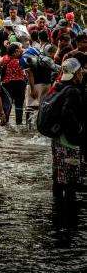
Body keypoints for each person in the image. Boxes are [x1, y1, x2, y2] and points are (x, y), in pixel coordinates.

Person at [49, 58, 84, 199]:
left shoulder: (57, 86)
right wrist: (79, 131)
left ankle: (57, 210)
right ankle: (70, 213)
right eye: (80, 72)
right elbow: (68, 114)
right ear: (75, 74)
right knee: (71, 178)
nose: (82, 74)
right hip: (68, 140)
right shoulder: (73, 91)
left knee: (58, 174)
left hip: (56, 138)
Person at [0, 43, 26, 125]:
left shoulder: (5, 58)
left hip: (7, 84)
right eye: (19, 50)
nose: (21, 51)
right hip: (20, 84)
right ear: (15, 51)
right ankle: (19, 123)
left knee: (7, 103)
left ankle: (5, 121)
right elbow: (28, 71)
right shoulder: (22, 60)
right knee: (19, 104)